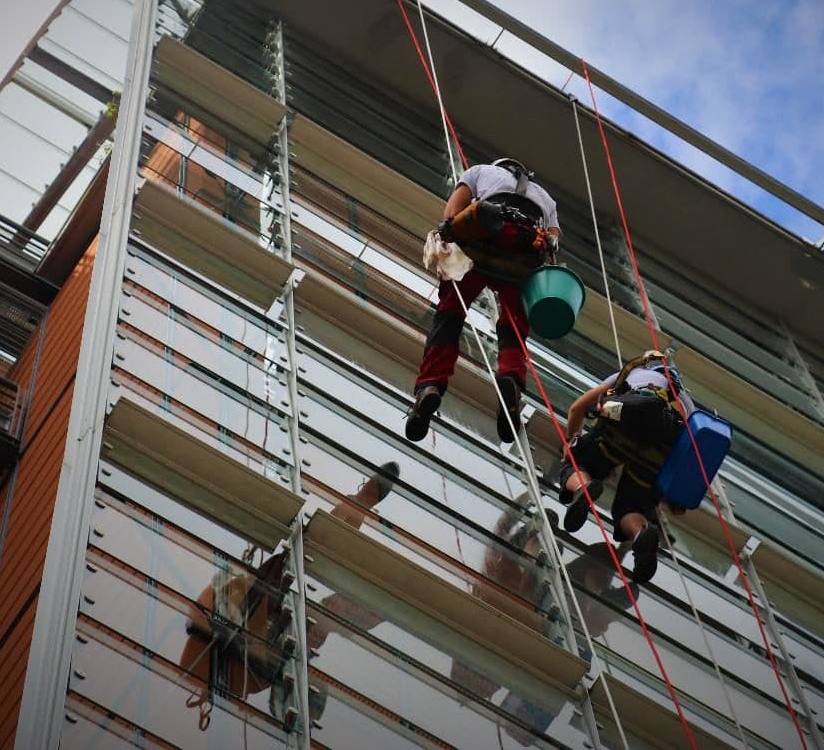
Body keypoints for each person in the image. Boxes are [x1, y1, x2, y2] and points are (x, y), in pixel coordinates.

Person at [180, 461, 400, 731]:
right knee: (311, 553)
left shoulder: (256, 669)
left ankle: (361, 504)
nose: (317, 640)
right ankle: (361, 504)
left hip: (252, 610)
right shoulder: (263, 667)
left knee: (309, 552)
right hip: (253, 611)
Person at [404, 158, 561, 445]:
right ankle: (511, 380)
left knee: (449, 317)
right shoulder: (547, 200)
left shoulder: (480, 171)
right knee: (514, 327)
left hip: (481, 248)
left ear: (500, 166)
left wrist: (449, 233)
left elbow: (451, 214)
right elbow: (552, 245)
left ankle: (430, 386)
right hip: (521, 259)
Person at [557, 350, 687, 584]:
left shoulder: (635, 373)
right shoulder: (685, 406)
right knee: (630, 506)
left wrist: (571, 441)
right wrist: (676, 499)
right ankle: (640, 534)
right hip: (657, 451)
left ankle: (582, 488)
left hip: (621, 429)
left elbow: (578, 409)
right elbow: (690, 458)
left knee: (579, 463)